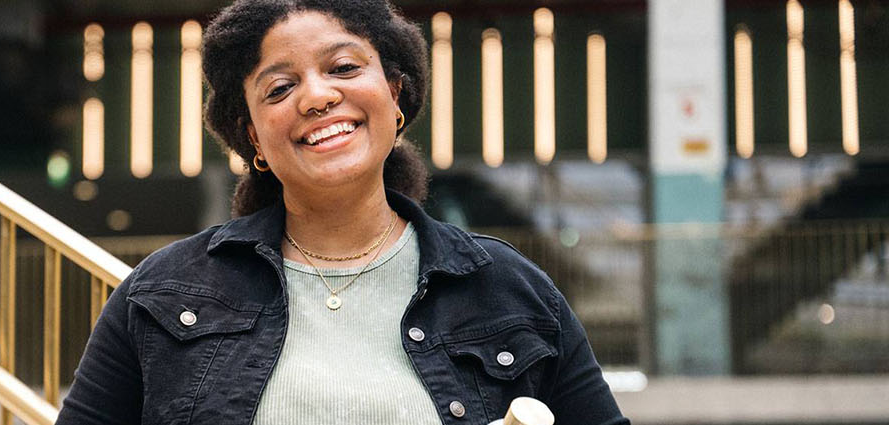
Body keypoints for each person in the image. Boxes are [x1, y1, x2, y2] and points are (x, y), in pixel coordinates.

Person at [57, 0, 630, 424]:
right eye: (279, 88)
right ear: (252, 137)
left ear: (396, 96)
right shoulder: (161, 292)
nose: (316, 96)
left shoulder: (509, 290)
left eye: (345, 68)